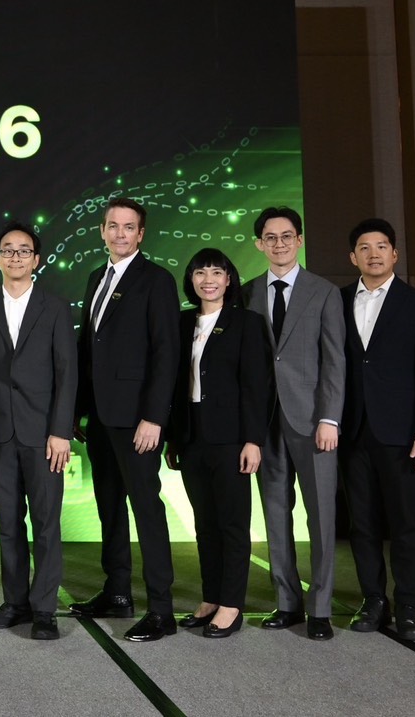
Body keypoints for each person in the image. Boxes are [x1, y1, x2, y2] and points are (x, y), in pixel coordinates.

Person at [70, 196, 179, 642]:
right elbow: (89, 349)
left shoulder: (157, 280)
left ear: (141, 234)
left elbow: (166, 352)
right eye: (112, 226)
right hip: (100, 416)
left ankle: (161, 609)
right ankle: (117, 592)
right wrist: (77, 409)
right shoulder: (97, 277)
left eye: (128, 227)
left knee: (146, 509)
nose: (119, 233)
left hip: (137, 420)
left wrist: (154, 417)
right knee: (109, 507)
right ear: (102, 231)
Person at [338, 219, 415, 642]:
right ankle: (373, 601)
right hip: (352, 432)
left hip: (402, 435)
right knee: (361, 524)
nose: (374, 254)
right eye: (365, 247)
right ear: (353, 257)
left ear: (394, 254)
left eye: (382, 246)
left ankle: (409, 607)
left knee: (404, 524)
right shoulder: (337, 300)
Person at [242, 206, 344, 640]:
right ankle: (287, 602)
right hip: (265, 421)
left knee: (320, 516)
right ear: (259, 244)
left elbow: (334, 360)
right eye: (271, 237)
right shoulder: (246, 292)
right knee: (275, 513)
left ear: (299, 241)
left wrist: (330, 417)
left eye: (287, 236)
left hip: (313, 420)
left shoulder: (324, 292)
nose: (279, 243)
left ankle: (320, 608)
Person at [165, 249, 270, 640]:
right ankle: (211, 598)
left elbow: (256, 386)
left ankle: (231, 604)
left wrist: (253, 440)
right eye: (200, 272)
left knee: (232, 523)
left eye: (216, 272)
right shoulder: (182, 322)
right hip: (191, 437)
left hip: (231, 439)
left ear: (228, 279)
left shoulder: (246, 323)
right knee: (205, 525)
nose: (208, 279)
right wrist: (174, 437)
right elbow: (175, 384)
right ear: (191, 280)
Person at [0, 222, 76, 642]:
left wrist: (61, 431)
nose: (15, 257)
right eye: (8, 250)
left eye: (23, 250)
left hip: (44, 436)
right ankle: (15, 602)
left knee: (47, 525)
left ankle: (45, 609)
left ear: (36, 260)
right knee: (8, 525)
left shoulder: (55, 307)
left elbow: (67, 373)